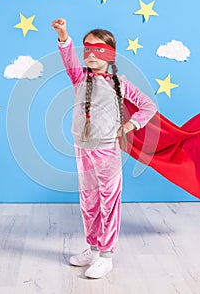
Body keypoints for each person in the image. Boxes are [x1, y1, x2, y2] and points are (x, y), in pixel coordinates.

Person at [51, 18, 157, 279]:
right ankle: (93, 248)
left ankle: (107, 255)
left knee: (109, 202)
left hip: (107, 151)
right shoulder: (79, 77)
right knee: (89, 202)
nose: (92, 55)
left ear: (110, 54)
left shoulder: (119, 83)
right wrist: (64, 34)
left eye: (99, 50)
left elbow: (148, 105)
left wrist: (132, 124)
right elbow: (68, 60)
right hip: (82, 148)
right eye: (88, 50)